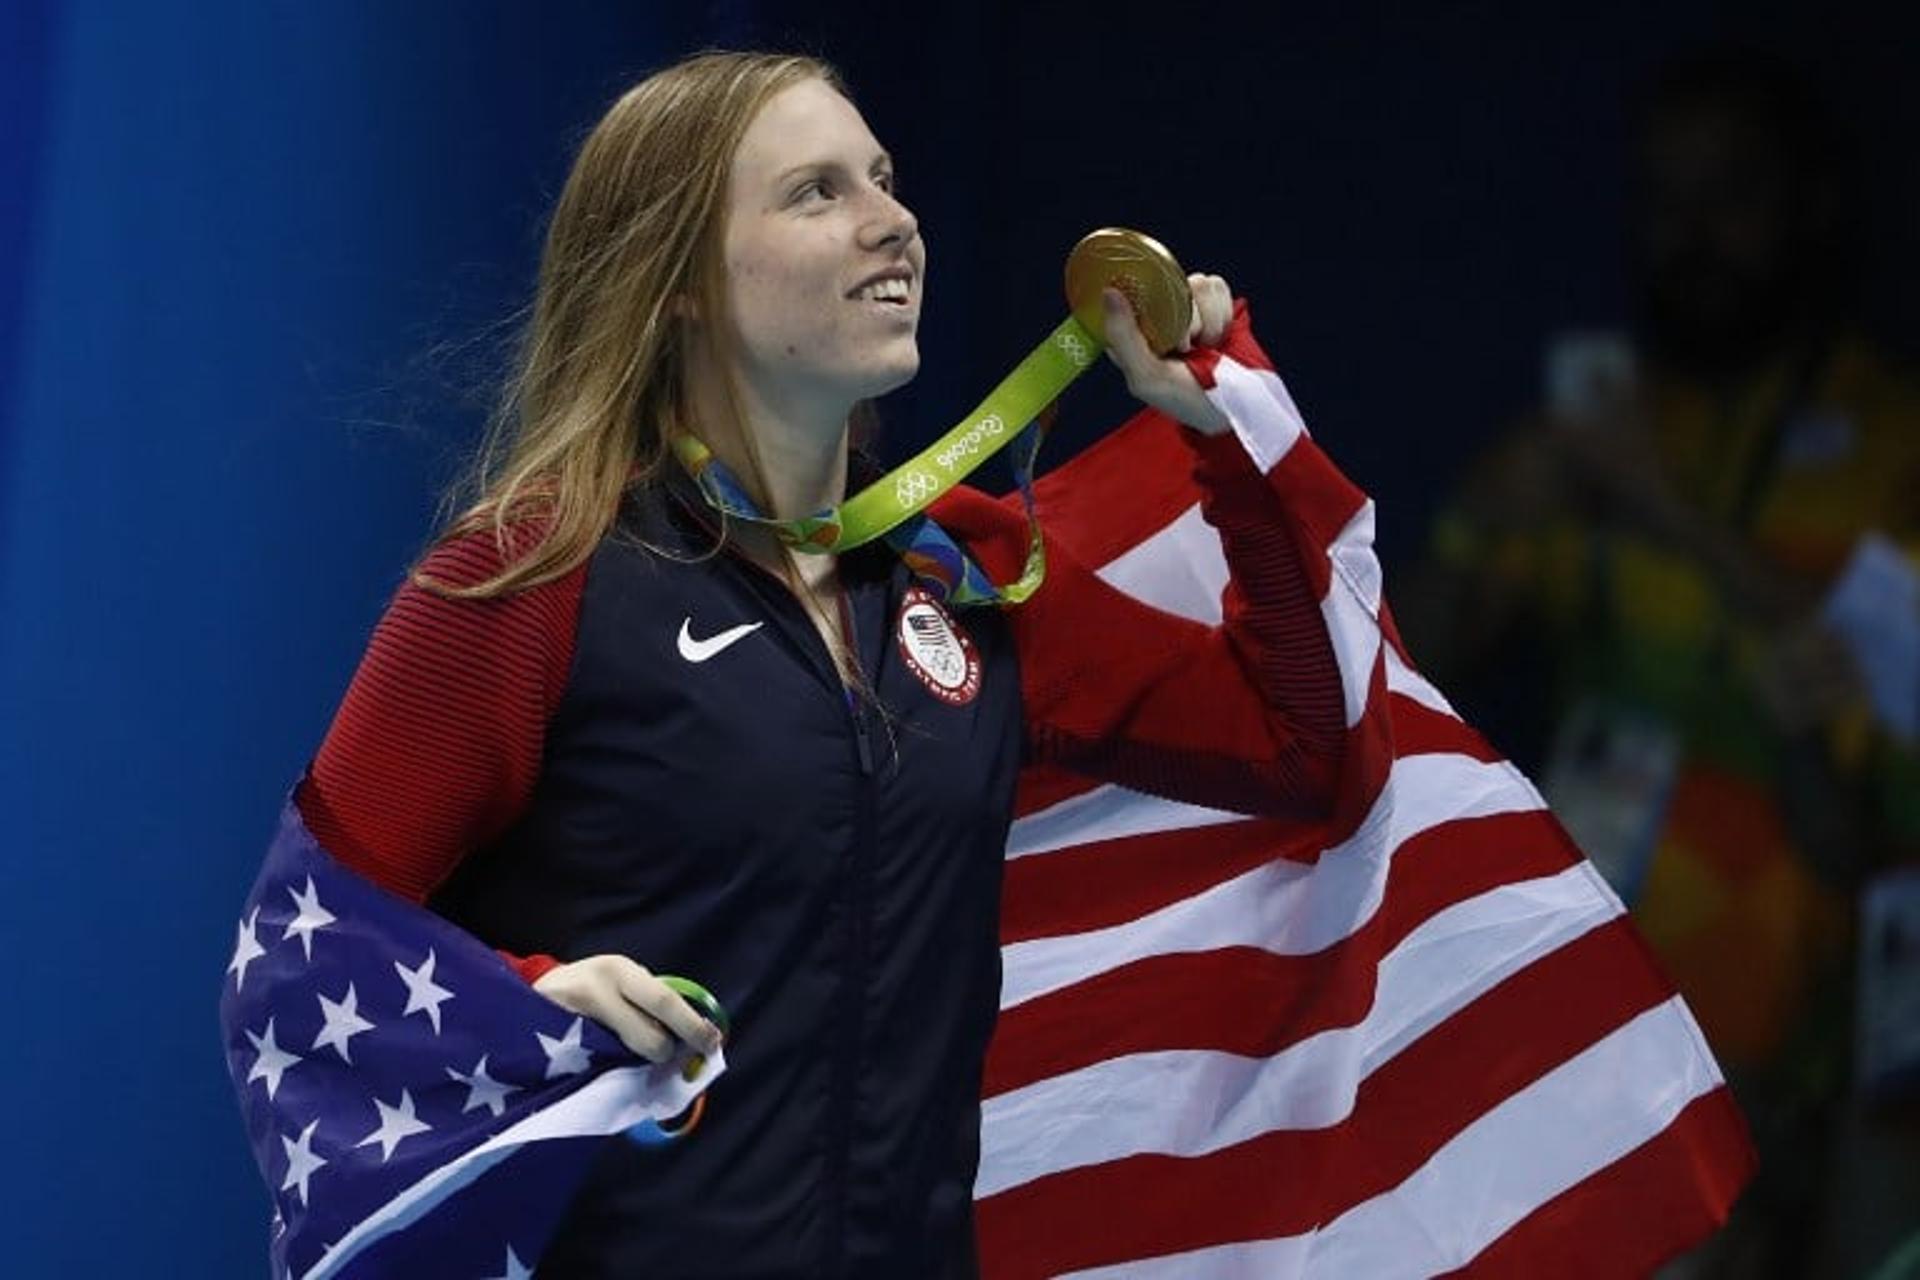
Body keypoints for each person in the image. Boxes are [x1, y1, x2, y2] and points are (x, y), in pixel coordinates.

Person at [293, 50, 1347, 1275]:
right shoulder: (533, 577)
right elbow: (304, 951)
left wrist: (1223, 431)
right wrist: (524, 1002)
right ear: (677, 279)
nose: (892, 220)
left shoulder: (970, 576)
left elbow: (1297, 737)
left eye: (887, 180)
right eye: (816, 192)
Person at [1397, 49, 1920, 1276]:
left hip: (1820, 1059)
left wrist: (1664, 506)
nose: (1695, 235)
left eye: (1730, 193)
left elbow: (1880, 670)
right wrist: (1482, 521)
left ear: (1809, 203)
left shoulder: (1893, 439)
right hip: (1585, 1036)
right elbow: (1407, 663)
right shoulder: (1603, 422)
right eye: (1666, 200)